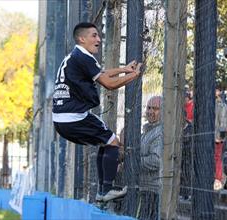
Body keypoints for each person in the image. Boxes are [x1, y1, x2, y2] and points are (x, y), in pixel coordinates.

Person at [52, 22, 142, 202]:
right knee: (113, 142)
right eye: (94, 35)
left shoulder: (74, 56)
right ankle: (105, 190)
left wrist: (124, 69)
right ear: (81, 38)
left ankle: (103, 191)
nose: (98, 39)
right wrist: (134, 75)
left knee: (105, 142)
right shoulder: (84, 57)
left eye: (98, 36)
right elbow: (108, 83)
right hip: (75, 118)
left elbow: (102, 73)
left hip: (61, 120)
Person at [137, 96, 163, 220]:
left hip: (154, 190)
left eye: (155, 108)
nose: (150, 111)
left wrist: (134, 161)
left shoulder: (160, 132)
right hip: (144, 187)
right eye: (148, 108)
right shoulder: (147, 131)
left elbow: (157, 161)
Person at [214, 88, 227, 190]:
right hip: (212, 135)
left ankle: (218, 178)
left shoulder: (221, 105)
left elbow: (223, 122)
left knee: (217, 158)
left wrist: (220, 136)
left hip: (217, 136)